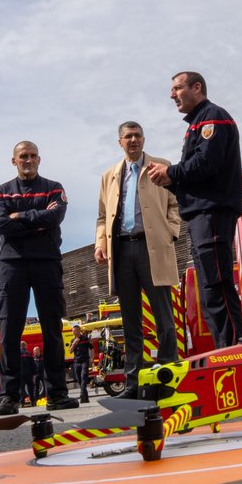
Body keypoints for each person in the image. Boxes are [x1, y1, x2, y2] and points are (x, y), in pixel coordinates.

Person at [148, 72, 242, 349]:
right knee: (209, 288)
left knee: (216, 284)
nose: (172, 95)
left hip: (211, 213)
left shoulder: (211, 117)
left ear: (197, 87)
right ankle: (226, 347)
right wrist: (170, 181)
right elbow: (197, 175)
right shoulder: (198, 122)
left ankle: (233, 348)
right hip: (202, 213)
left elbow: (206, 164)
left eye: (177, 88)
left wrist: (171, 172)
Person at [0, 140, 79, 416]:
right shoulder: (1, 192)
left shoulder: (54, 187)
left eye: (33, 156)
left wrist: (20, 217)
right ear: (13, 161)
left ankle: (57, 394)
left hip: (46, 264)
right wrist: (37, 220)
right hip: (12, 266)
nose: (28, 160)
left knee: (52, 329)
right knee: (9, 332)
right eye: (23, 156)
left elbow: (55, 217)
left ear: (40, 160)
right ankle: (9, 397)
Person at [95, 121, 182, 396]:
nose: (133, 140)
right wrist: (100, 243)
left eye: (137, 136)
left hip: (152, 247)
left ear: (143, 139)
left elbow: (175, 204)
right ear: (119, 142)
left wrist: (170, 232)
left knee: (164, 318)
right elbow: (101, 216)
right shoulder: (109, 175)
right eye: (127, 137)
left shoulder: (161, 165)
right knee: (130, 322)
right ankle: (133, 384)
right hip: (121, 251)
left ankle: (168, 377)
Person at [69, 324, 93, 403]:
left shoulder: (85, 338)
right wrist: (74, 343)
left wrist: (92, 358)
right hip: (76, 362)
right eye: (73, 331)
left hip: (84, 361)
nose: (74, 332)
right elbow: (70, 351)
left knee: (83, 378)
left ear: (79, 330)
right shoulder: (72, 340)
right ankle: (86, 398)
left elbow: (92, 348)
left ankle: (82, 395)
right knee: (79, 379)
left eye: (75, 330)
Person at [18, 341, 36, 407]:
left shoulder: (17, 354)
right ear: (25, 346)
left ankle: (21, 403)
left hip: (20, 373)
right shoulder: (29, 354)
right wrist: (34, 373)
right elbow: (33, 364)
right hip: (29, 373)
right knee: (30, 388)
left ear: (20, 346)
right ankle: (33, 401)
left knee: (21, 388)